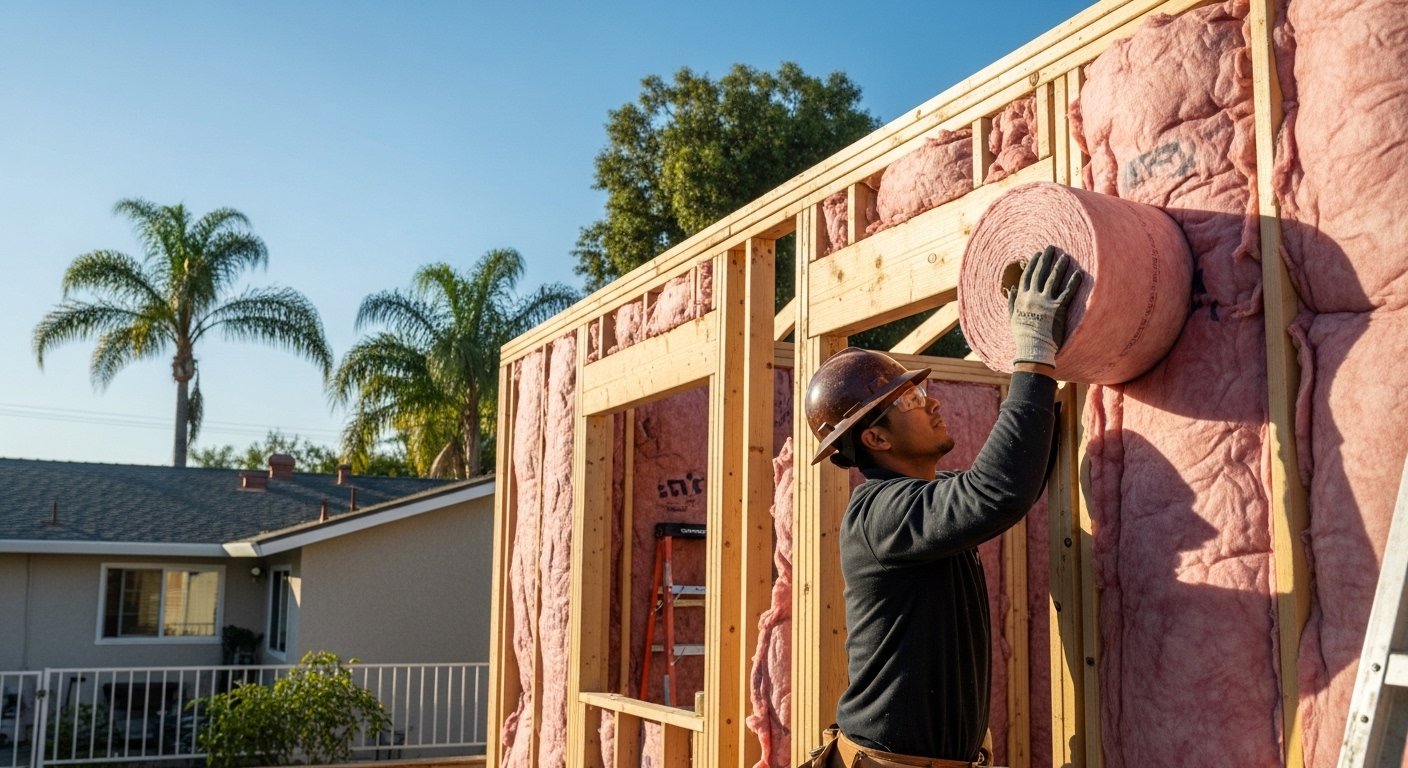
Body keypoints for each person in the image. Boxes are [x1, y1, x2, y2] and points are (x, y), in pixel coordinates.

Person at [801, 245, 1082, 767]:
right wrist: (1033, 349)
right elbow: (996, 492)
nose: (929, 401)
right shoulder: (878, 516)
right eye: (907, 400)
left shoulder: (924, 503)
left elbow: (1015, 473)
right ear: (877, 440)